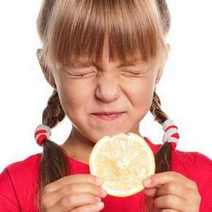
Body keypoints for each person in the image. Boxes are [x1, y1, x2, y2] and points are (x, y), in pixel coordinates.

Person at [0, 0, 211, 211]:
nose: (107, 93)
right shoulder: (14, 188)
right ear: (48, 70)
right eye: (81, 71)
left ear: (159, 67)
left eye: (131, 70)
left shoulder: (201, 182)